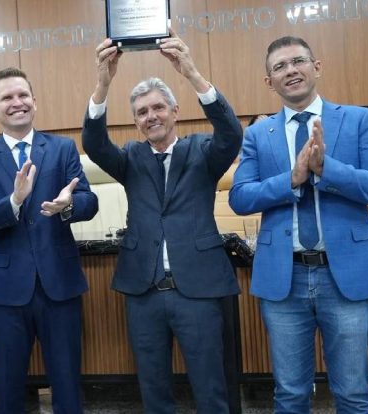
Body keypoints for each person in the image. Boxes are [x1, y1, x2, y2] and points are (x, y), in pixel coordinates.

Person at [229, 36, 368, 413]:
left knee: (353, 394)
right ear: (268, 81)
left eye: (297, 61)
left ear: (316, 66)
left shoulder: (358, 120)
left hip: (345, 277)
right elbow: (240, 198)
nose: (290, 70)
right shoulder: (259, 133)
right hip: (284, 278)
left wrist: (327, 170)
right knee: (289, 395)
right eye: (279, 67)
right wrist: (291, 178)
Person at [82, 31, 243, 413]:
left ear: (175, 112)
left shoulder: (202, 151)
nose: (150, 116)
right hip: (145, 292)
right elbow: (94, 144)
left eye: (157, 108)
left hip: (198, 290)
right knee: (153, 390)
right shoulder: (130, 159)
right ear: (136, 122)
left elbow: (231, 134)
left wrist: (191, 72)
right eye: (141, 112)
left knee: (210, 387)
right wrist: (103, 84)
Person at [0, 67, 98, 413]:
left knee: (68, 384)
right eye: (6, 97)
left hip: (60, 285)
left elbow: (89, 201)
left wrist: (69, 206)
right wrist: (14, 202)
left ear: (35, 102)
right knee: (8, 389)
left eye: (23, 95)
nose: (17, 102)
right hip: (6, 291)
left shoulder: (62, 148)